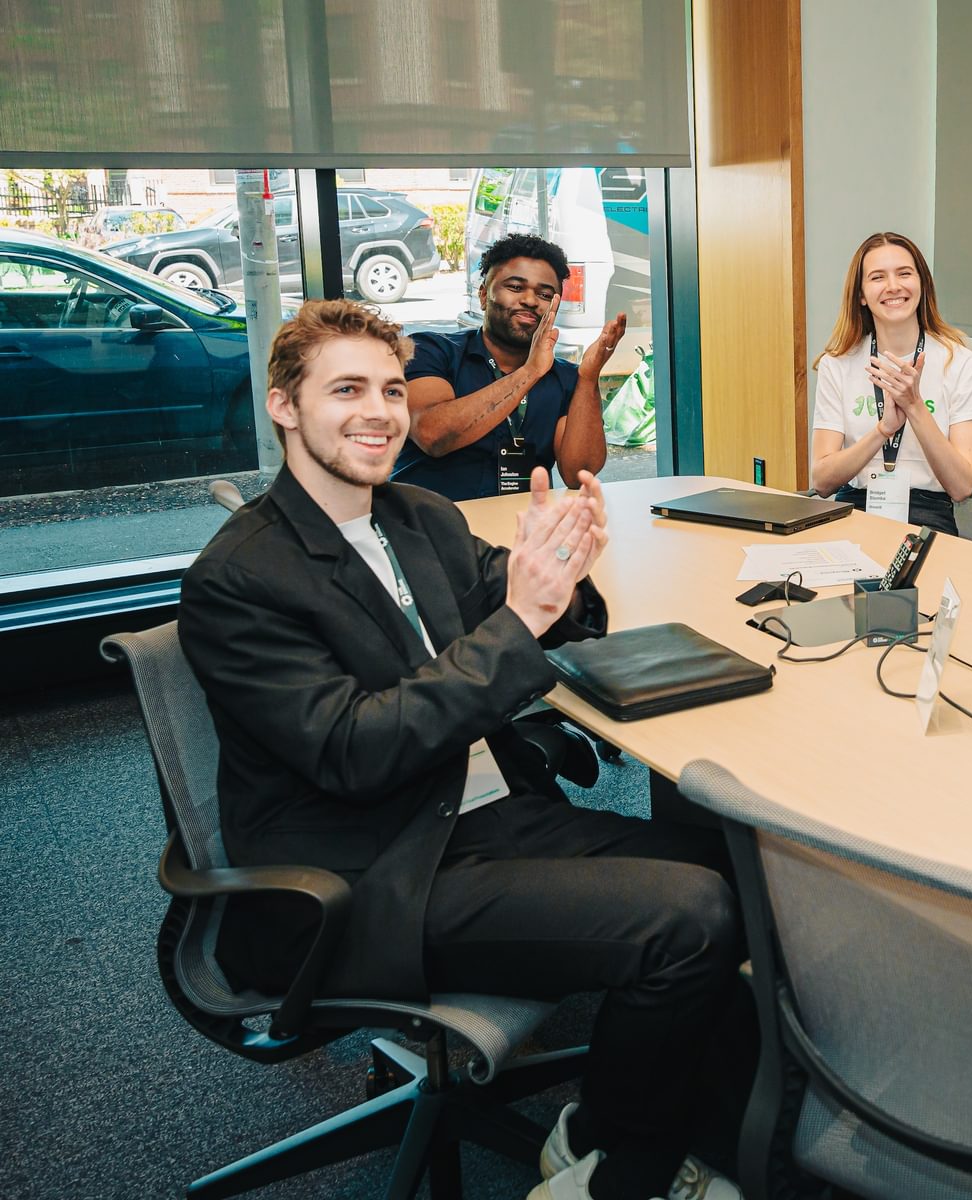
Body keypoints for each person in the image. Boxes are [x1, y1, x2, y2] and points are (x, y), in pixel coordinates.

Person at [179, 300, 746, 1200]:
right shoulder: (239, 579)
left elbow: (517, 609)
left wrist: (564, 573)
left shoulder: (416, 516)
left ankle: (606, 1128)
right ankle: (625, 1173)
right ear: (285, 406)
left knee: (737, 869)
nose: (379, 411)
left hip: (476, 816)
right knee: (687, 918)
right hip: (364, 871)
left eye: (392, 389)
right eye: (347, 390)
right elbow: (358, 751)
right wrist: (522, 616)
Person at [393, 232, 628, 502]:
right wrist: (529, 372)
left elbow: (579, 473)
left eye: (544, 294)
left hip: (521, 530)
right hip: (429, 530)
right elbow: (433, 435)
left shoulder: (566, 378)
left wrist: (588, 378)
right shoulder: (432, 351)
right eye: (515, 287)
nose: (530, 300)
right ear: (483, 296)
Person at [809, 231, 972, 536]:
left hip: (929, 514)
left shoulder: (960, 363)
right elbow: (822, 481)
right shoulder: (838, 364)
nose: (893, 286)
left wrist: (914, 407)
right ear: (861, 295)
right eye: (878, 277)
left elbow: (962, 486)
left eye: (904, 274)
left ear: (922, 284)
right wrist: (883, 429)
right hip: (854, 508)